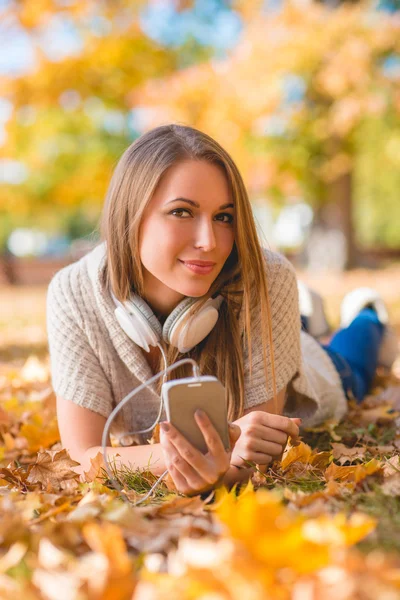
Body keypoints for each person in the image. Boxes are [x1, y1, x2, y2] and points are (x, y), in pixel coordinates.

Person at [46, 124, 395, 498]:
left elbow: (258, 449)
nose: (209, 242)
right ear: (130, 214)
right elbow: (82, 459)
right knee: (309, 331)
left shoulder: (267, 275)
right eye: (182, 212)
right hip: (272, 341)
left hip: (313, 371)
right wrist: (197, 457)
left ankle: (366, 312)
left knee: (352, 359)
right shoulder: (73, 292)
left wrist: (223, 466)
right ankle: (308, 314)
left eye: (224, 217)